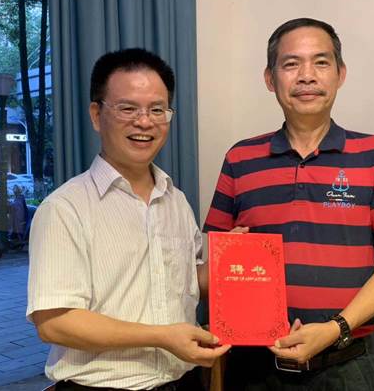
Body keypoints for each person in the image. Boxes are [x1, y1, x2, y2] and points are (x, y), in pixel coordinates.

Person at [204, 18, 374, 390]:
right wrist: (227, 260)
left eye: (321, 62)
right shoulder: (241, 158)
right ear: (270, 79)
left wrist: (335, 329)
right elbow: (211, 265)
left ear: (340, 74)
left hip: (345, 366)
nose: (306, 76)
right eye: (291, 64)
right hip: (253, 368)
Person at [27, 48, 229, 391]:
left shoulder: (176, 201)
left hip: (184, 382)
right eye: (128, 108)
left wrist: (237, 258)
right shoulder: (64, 207)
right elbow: (55, 322)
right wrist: (162, 337)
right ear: (96, 115)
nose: (145, 122)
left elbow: (186, 279)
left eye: (157, 109)